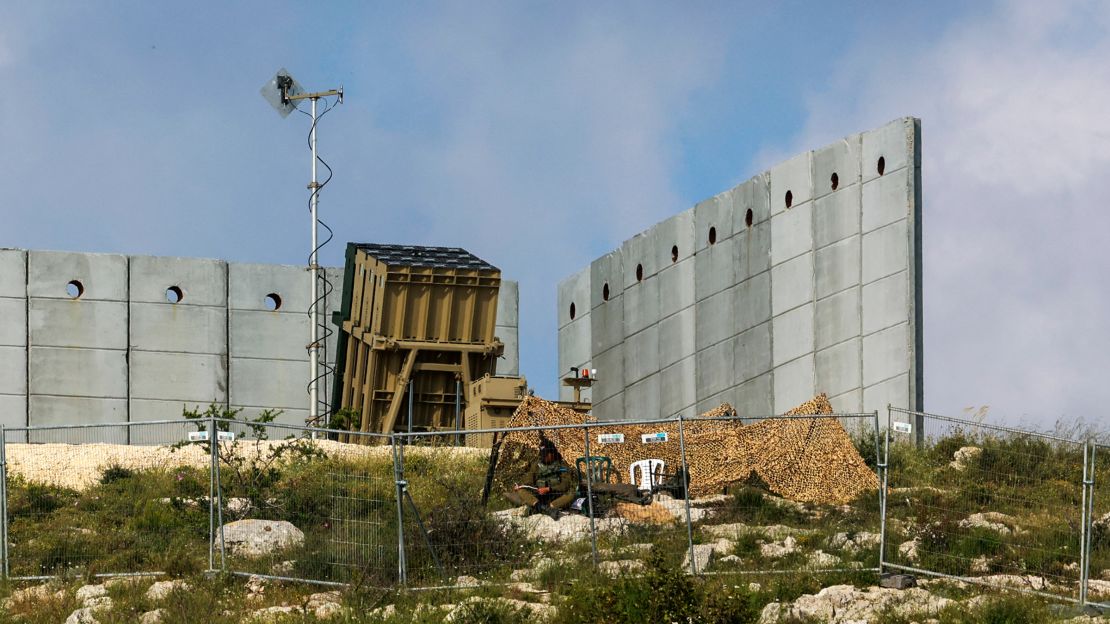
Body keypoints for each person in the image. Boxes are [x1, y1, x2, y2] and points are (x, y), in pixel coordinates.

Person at [505, 439, 576, 519]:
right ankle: (544, 508)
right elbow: (528, 481)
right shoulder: (536, 465)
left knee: (572, 493)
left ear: (552, 453)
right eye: (542, 454)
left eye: (546, 455)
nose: (543, 457)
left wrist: (549, 489)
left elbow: (565, 484)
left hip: (555, 495)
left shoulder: (562, 465)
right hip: (539, 496)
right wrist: (522, 486)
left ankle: (544, 507)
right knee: (521, 490)